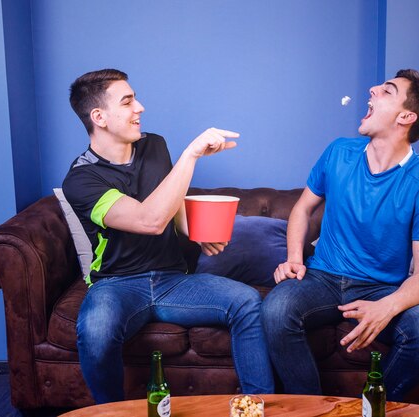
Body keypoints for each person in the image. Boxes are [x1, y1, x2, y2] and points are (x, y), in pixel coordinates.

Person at [62, 68, 274, 403]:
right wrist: (191, 154)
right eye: (128, 101)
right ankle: (111, 413)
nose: (140, 107)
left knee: (248, 301)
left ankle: (257, 408)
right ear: (99, 116)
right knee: (96, 331)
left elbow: (170, 206)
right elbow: (149, 220)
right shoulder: (82, 179)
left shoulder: (154, 145)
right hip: (117, 284)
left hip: (174, 280)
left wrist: (195, 231)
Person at [261, 69, 419, 401]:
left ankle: (366, 409)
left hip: (382, 288)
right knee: (276, 310)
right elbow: (302, 209)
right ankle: (311, 410)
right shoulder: (339, 152)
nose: (373, 89)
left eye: (387, 91)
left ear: (406, 117)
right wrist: (293, 258)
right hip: (323, 278)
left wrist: (387, 307)